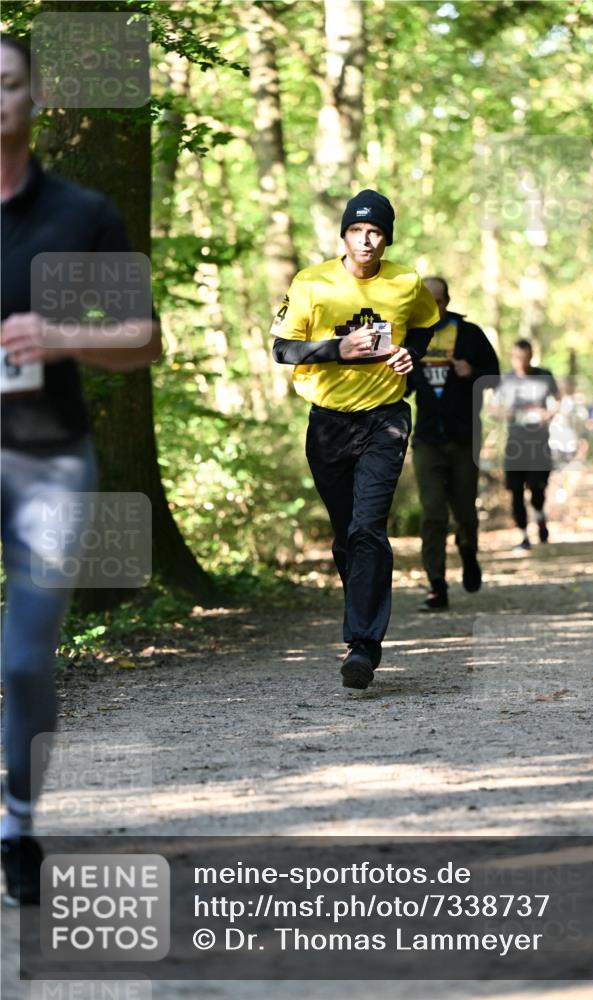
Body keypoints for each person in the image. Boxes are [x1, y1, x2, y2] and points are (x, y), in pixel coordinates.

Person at [1, 35, 161, 904]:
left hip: (49, 461)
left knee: (24, 657)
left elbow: (145, 339)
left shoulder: (80, 214)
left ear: (33, 97)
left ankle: (17, 824)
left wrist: (58, 335)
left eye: (9, 83)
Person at [271, 189, 438, 690]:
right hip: (328, 422)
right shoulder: (312, 282)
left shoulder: (407, 282)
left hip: (385, 419)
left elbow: (428, 325)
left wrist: (411, 353)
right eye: (356, 231)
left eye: (375, 232)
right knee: (346, 535)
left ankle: (362, 645)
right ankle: (360, 623)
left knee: (368, 528)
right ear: (343, 234)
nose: (365, 241)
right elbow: (281, 349)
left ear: (386, 238)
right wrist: (337, 348)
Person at [406, 276, 499, 611]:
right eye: (425, 301)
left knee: (464, 513)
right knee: (433, 514)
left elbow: (496, 376)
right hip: (427, 439)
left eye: (438, 300)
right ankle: (436, 586)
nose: (433, 306)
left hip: (463, 438)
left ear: (448, 300)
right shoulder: (412, 336)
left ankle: (469, 554)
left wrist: (471, 371)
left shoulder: (469, 334)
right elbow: (400, 388)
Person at [494, 340, 559, 553]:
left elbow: (558, 401)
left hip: (539, 443)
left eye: (525, 358)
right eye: (517, 358)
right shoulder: (505, 379)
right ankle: (523, 536)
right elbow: (493, 408)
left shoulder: (544, 375)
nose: (521, 362)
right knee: (516, 492)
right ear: (513, 357)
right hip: (515, 444)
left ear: (532, 356)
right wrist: (506, 413)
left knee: (537, 490)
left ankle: (540, 518)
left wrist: (547, 414)